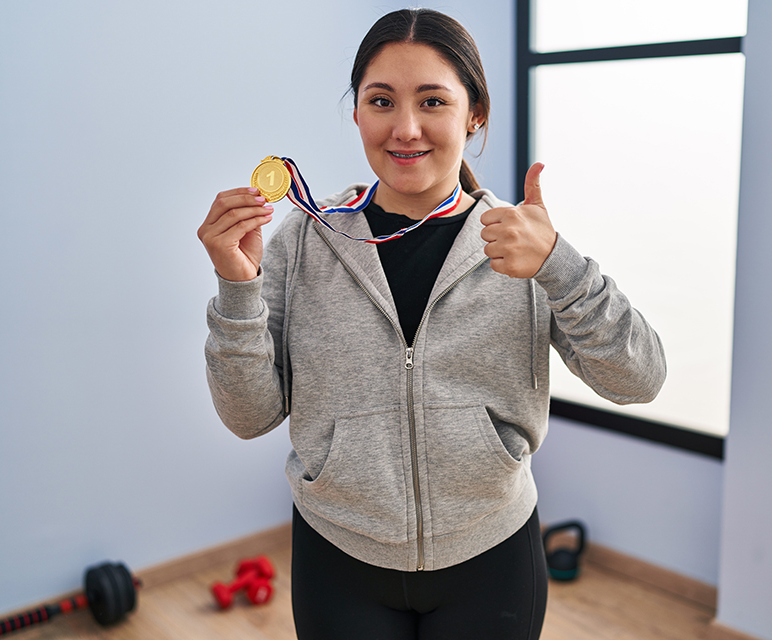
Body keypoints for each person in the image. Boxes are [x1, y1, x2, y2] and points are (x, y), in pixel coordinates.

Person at [197, 8, 666, 640]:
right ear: (357, 112)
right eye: (382, 100)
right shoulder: (304, 239)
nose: (406, 128)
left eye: (434, 101)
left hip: (492, 559)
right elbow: (248, 417)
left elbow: (640, 378)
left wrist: (560, 266)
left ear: (475, 115)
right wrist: (236, 287)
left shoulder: (523, 245)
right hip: (338, 558)